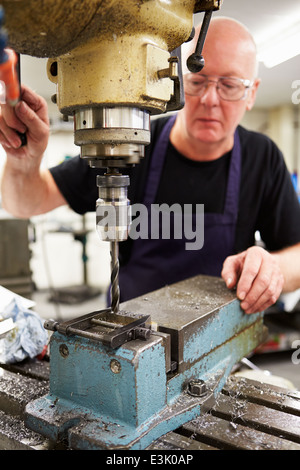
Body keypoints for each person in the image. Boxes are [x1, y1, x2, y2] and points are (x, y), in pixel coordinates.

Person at [1, 17, 300, 314]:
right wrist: (22, 161)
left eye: (230, 85)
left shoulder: (263, 158)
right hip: (133, 337)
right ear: (177, 81)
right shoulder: (127, 144)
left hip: (219, 342)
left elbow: (296, 257)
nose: (210, 99)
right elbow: (24, 203)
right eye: (198, 80)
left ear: (252, 93)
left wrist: (274, 269)